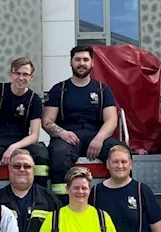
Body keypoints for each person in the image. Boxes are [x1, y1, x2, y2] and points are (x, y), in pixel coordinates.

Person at [42, 45, 120, 197]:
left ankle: (116, 197)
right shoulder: (59, 90)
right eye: (77, 59)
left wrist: (99, 138)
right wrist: (62, 133)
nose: (81, 63)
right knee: (59, 153)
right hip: (67, 137)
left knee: (118, 154)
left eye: (86, 59)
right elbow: (47, 120)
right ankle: (62, 201)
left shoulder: (103, 90)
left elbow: (111, 119)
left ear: (92, 63)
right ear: (70, 62)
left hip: (97, 135)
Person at [0, 57, 49, 182]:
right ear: (10, 74)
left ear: (31, 77)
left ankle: (38, 196)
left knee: (41, 154)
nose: (21, 78)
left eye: (25, 74)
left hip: (21, 142)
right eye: (18, 73)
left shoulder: (35, 99)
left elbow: (34, 136)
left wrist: (13, 148)